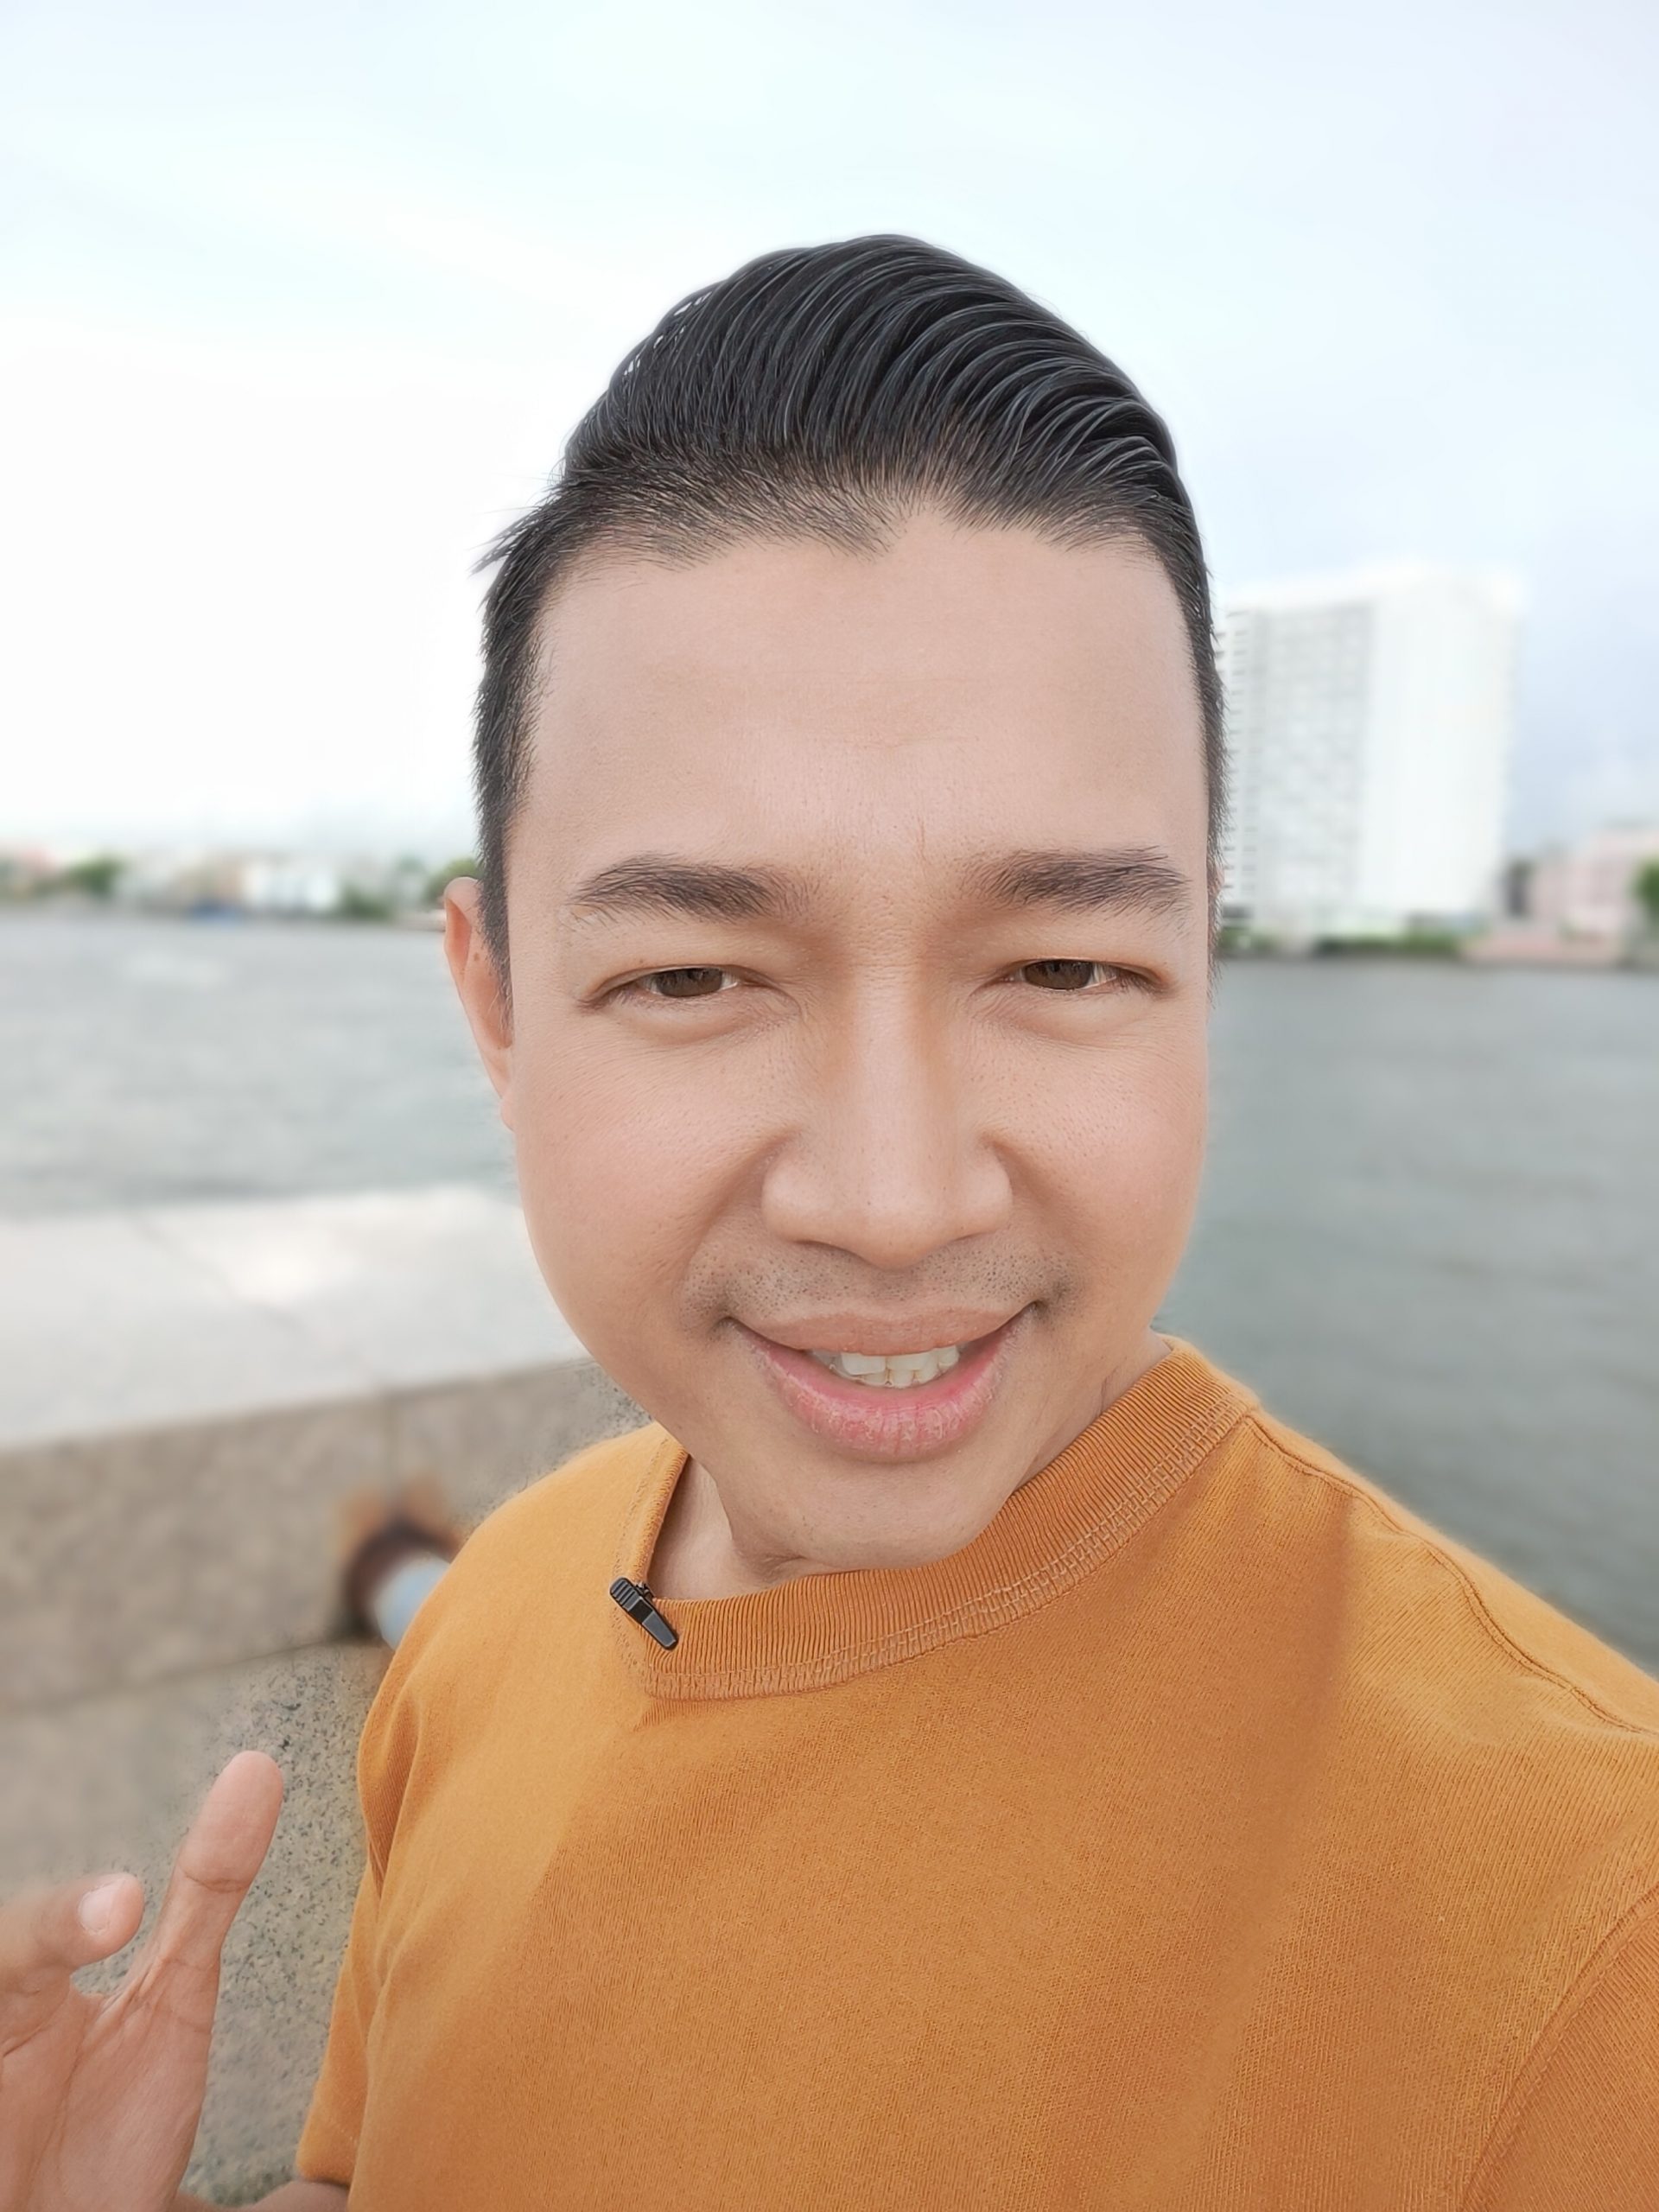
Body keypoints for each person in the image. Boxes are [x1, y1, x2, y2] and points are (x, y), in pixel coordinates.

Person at [3, 236, 1656, 2212]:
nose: (892, 1199)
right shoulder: (493, 1620)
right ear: (496, 1006)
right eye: (696, 975)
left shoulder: (1583, 1928)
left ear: (1205, 980)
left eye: (1062, 966)